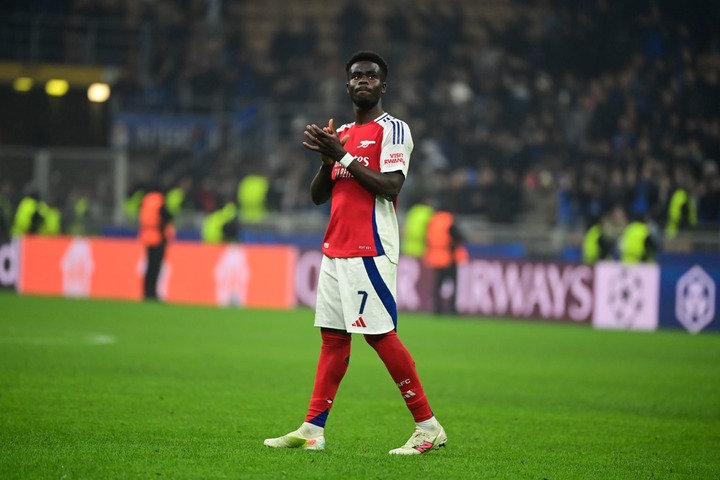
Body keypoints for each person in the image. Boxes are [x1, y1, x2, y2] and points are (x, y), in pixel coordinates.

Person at [264, 51, 447, 455]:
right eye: (356, 76)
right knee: (332, 339)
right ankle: (313, 429)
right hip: (336, 248)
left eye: (371, 76)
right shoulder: (341, 131)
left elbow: (391, 186)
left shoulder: (394, 129)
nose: (363, 80)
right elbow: (318, 197)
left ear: (384, 86)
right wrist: (328, 159)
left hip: (371, 247)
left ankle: (428, 425)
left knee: (380, 336)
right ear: (347, 86)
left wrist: (343, 155)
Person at [423, 206, 469, 315]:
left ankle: (437, 308)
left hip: (435, 257)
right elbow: (457, 236)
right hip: (448, 257)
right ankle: (452, 308)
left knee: (438, 284)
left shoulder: (433, 220)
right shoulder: (449, 220)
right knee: (453, 283)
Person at [138, 184, 174, 300]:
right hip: (158, 237)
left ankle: (146, 291)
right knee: (156, 267)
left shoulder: (146, 201)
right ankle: (152, 292)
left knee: (149, 266)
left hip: (146, 236)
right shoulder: (160, 201)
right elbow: (167, 216)